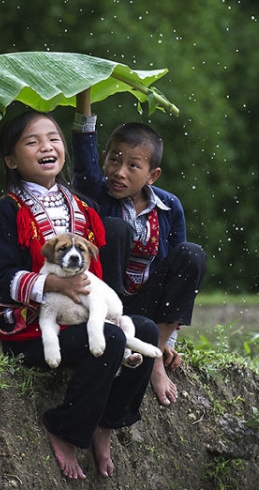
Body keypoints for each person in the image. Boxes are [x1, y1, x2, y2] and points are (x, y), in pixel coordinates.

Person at [0, 109, 159, 480]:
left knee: (146, 330)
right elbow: (3, 279)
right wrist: (53, 285)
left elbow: (96, 279)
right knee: (108, 337)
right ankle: (63, 427)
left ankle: (105, 425)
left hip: (78, 319)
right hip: (32, 330)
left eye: (54, 138)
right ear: (12, 159)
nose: (47, 146)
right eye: (32, 141)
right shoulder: (6, 211)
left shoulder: (82, 207)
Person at [71, 89, 207, 407]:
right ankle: (120, 336)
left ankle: (156, 356)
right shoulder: (95, 191)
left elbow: (178, 273)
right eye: (114, 160)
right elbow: (83, 146)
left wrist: (168, 338)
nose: (119, 172)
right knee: (114, 228)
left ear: (152, 175)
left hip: (148, 304)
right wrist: (83, 95)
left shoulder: (169, 206)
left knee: (191, 254)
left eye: (134, 166)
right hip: (109, 304)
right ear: (104, 159)